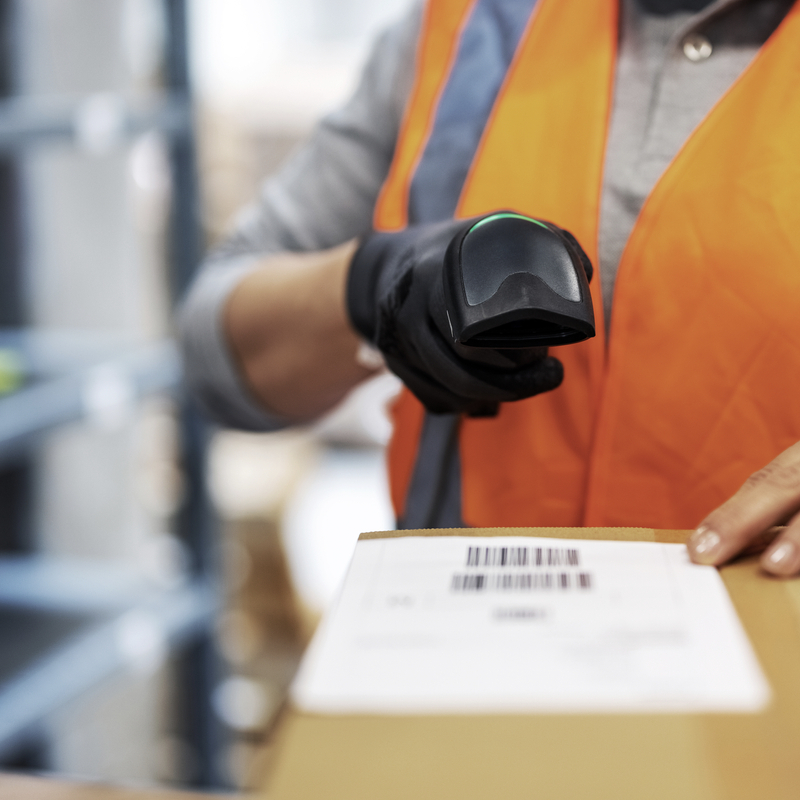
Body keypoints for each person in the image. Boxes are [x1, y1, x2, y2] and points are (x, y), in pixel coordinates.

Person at [180, 0, 800, 576]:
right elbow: (215, 354)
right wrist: (369, 286)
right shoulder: (472, 24)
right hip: (467, 645)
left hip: (766, 654)